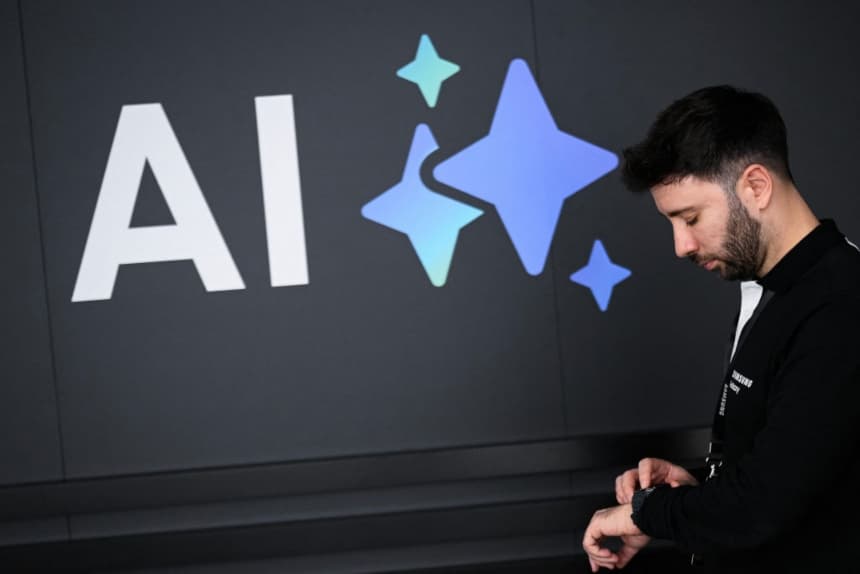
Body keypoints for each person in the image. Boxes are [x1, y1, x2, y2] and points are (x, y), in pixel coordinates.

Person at [582, 85, 860, 573]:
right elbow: (788, 469)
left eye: (690, 217)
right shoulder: (769, 288)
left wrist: (645, 512)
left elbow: (761, 505)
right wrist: (700, 491)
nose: (681, 245)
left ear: (756, 186)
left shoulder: (840, 303)